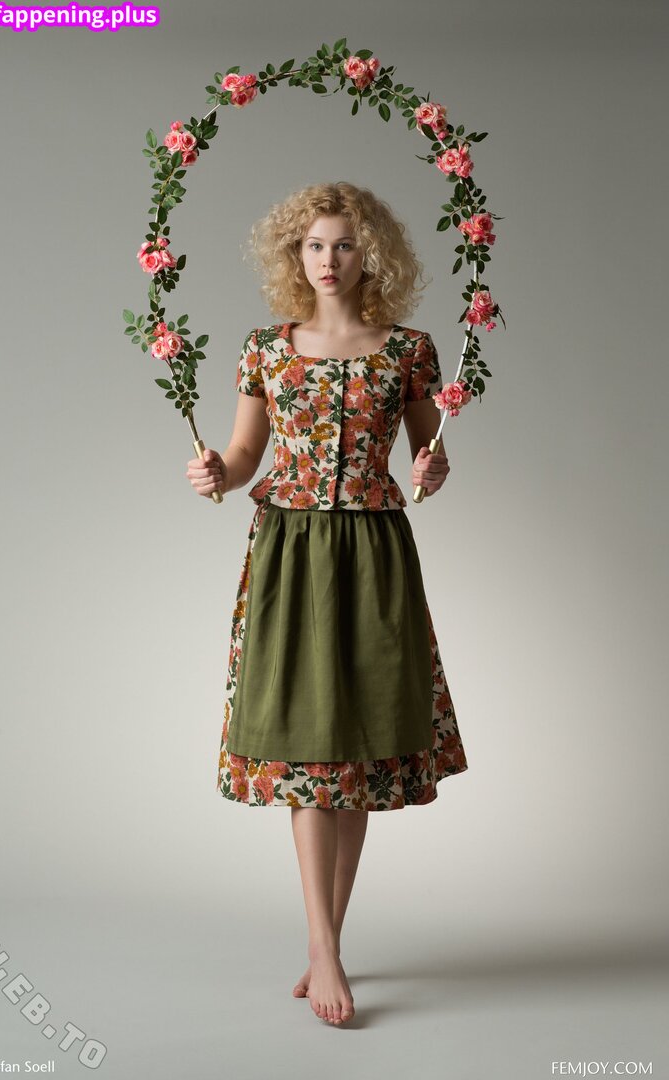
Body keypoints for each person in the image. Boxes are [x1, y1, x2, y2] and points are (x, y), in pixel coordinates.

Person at [186, 181, 469, 1027]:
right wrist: (217, 472)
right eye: (314, 245)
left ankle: (326, 945)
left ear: (368, 253)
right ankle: (323, 949)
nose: (328, 259)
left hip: (376, 555)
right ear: (294, 254)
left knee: (356, 757)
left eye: (344, 244)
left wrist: (433, 469)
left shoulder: (409, 350)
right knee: (310, 749)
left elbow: (427, 457)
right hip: (293, 553)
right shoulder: (265, 349)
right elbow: (245, 454)